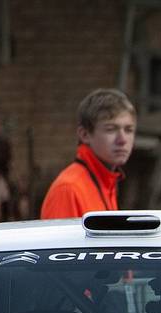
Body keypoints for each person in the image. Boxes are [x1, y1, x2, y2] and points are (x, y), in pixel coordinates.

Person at [38, 89, 134, 219]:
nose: (122, 140)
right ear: (84, 134)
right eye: (111, 129)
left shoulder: (106, 181)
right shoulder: (69, 189)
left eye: (129, 130)